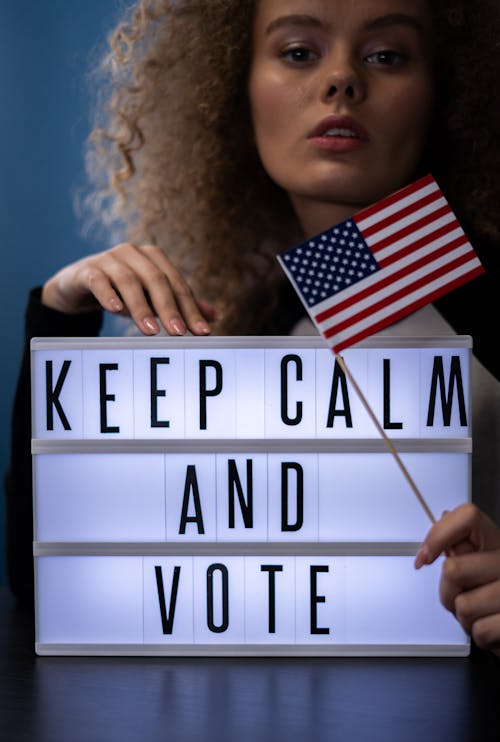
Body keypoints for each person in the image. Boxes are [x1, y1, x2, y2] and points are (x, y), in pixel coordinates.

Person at [5, 0, 500, 656]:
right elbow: (47, 586)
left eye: (387, 55)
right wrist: (61, 316)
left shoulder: (482, 290)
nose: (342, 81)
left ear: (446, 88)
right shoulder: (256, 322)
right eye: (299, 51)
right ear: (234, 86)